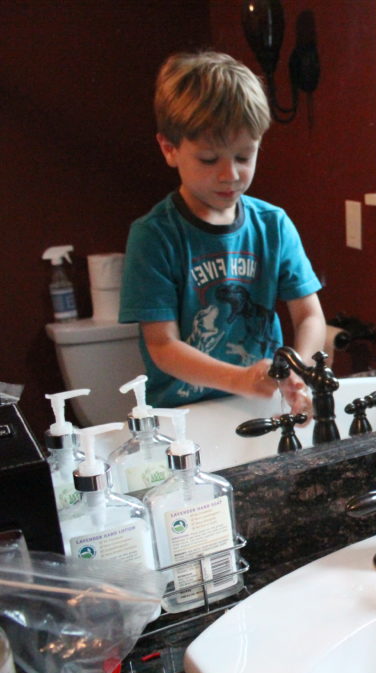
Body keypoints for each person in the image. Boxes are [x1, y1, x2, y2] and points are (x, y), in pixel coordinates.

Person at [120, 51, 325, 414]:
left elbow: (309, 315)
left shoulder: (273, 225)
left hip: (260, 404)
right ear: (169, 149)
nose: (230, 174)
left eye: (244, 157)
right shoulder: (154, 236)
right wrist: (239, 379)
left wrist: (300, 366)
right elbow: (162, 346)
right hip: (183, 417)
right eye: (209, 159)